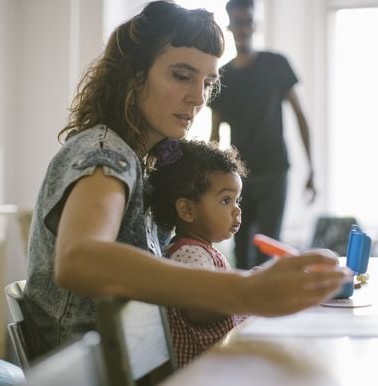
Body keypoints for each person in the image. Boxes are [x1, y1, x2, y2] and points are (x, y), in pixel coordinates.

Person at [23, 0, 349, 357]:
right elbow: (79, 260)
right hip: (89, 372)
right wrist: (242, 291)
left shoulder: (142, 162)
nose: (198, 98)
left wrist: (252, 284)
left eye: (208, 82)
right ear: (134, 74)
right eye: (181, 75)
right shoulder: (107, 154)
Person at [209, 0, 317, 270]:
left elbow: (300, 117)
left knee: (269, 248)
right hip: (238, 177)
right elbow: (214, 135)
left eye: (247, 22)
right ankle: (242, 313)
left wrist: (311, 168)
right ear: (229, 26)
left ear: (254, 24)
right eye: (238, 23)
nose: (243, 28)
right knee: (241, 249)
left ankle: (268, 311)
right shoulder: (222, 77)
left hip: (275, 171)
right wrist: (211, 180)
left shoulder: (276, 64)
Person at [146, 139, 249, 367]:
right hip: (199, 373)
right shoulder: (188, 253)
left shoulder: (203, 251)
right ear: (188, 210)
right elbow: (200, 309)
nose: (237, 209)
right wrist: (248, 295)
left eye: (237, 200)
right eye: (225, 200)